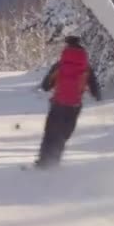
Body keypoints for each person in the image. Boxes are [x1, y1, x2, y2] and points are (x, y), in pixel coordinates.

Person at [35, 35, 102, 169]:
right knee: (63, 134)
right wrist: (95, 95)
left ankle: (43, 162)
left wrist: (52, 85)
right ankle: (54, 162)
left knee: (50, 133)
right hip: (74, 106)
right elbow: (95, 90)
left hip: (57, 104)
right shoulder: (85, 67)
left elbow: (46, 85)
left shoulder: (60, 65)